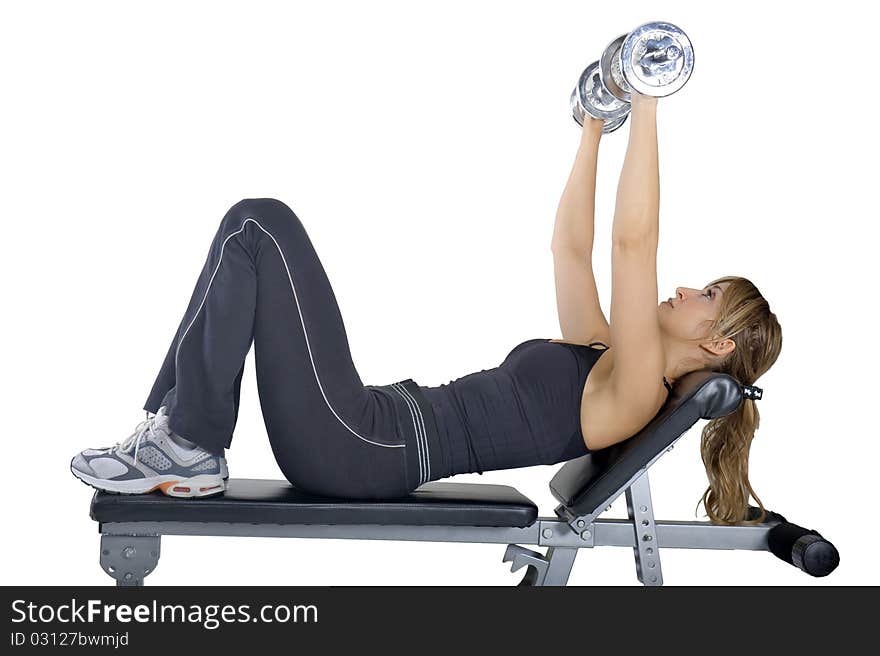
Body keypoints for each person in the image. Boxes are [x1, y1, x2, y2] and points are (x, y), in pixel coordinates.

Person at [70, 92, 781, 525]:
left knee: (262, 226)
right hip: (367, 427)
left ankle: (189, 446)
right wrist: (596, 125)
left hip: (361, 448)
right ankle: (174, 431)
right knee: (244, 228)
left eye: (708, 297)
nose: (686, 289)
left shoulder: (633, 397)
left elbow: (634, 244)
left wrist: (651, 103)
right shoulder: (609, 359)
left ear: (719, 343)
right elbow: (571, 249)